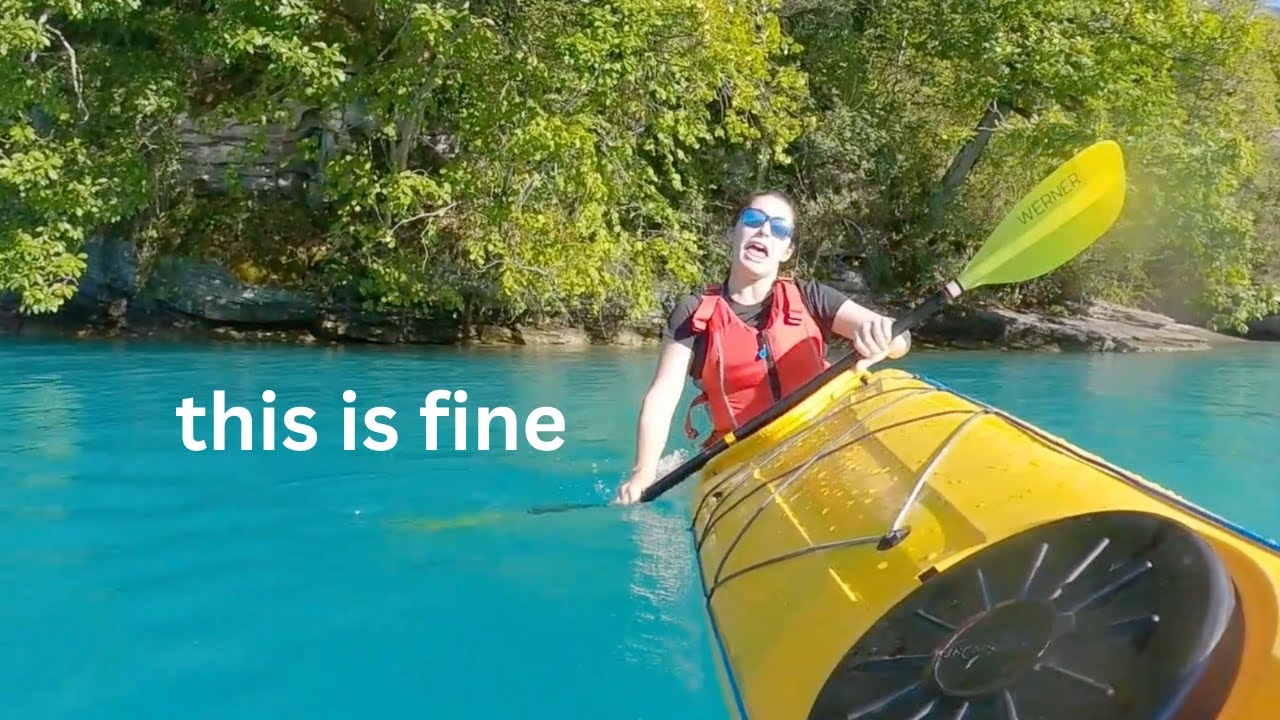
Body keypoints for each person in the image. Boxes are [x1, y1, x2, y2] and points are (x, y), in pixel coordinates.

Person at [613, 189, 911, 505]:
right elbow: (663, 396)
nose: (764, 230)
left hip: (822, 440)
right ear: (733, 231)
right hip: (743, 460)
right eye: (753, 219)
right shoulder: (694, 313)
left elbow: (900, 339)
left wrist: (887, 338)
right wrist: (643, 471)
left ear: (786, 250)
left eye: (779, 228)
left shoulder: (812, 297)